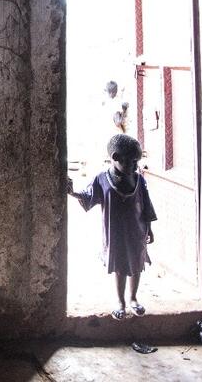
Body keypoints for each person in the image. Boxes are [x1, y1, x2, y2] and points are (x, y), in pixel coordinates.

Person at [67, 134, 157, 319]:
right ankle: (120, 301)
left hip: (137, 231)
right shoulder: (102, 179)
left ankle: (133, 298)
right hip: (115, 232)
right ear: (115, 158)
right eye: (131, 162)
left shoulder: (139, 180)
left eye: (137, 162)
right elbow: (87, 196)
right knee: (120, 265)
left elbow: (146, 205)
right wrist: (72, 192)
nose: (135, 166)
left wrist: (150, 228)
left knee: (137, 264)